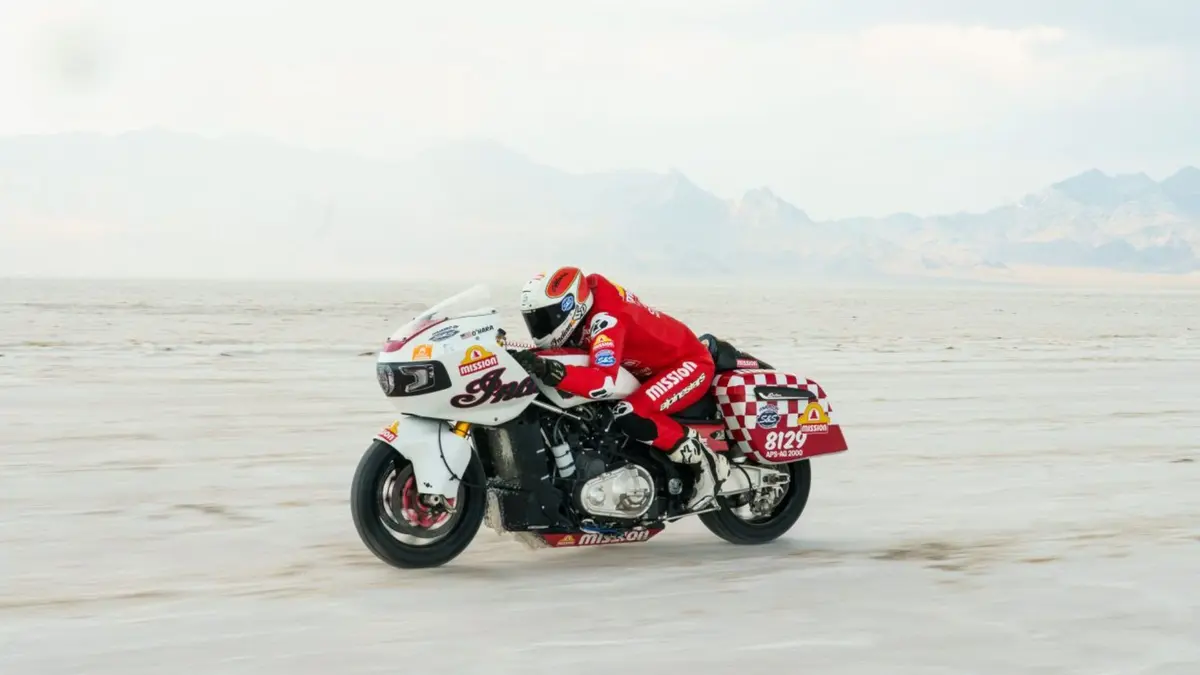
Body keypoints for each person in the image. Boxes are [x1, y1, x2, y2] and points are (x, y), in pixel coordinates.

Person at [511, 266, 730, 512]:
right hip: (647, 370)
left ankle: (707, 463)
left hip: (687, 364)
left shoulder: (607, 319)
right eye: (533, 320)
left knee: (631, 412)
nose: (538, 327)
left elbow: (601, 380)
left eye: (544, 319)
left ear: (570, 307)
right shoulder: (586, 306)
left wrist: (552, 371)